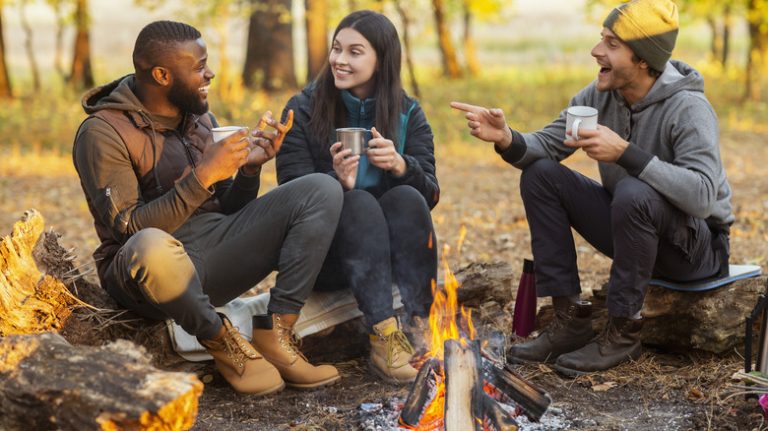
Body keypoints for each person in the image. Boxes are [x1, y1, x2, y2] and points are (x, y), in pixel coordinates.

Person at [452, 0, 733, 376]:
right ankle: (570, 320)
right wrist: (506, 137)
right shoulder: (599, 97)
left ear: (644, 60)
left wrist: (626, 153)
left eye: (612, 43)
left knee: (634, 191)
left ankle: (622, 332)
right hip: (634, 229)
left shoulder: (688, 108)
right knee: (541, 175)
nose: (596, 50)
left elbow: (702, 197)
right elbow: (547, 145)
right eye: (602, 38)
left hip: (696, 250)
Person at [73, 20, 344, 395]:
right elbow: (128, 229)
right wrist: (201, 177)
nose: (210, 73)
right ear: (162, 74)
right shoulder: (103, 132)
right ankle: (221, 340)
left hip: (213, 253)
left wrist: (248, 170)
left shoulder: (200, 117)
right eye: (199, 66)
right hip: (152, 275)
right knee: (150, 245)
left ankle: (275, 333)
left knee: (321, 188)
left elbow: (230, 208)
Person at [276, 10, 439, 383]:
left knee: (407, 197)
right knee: (358, 201)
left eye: (354, 52)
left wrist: (401, 166)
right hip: (327, 258)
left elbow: (429, 194)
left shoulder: (407, 112)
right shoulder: (302, 109)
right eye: (337, 49)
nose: (339, 60)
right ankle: (384, 337)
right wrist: (334, 184)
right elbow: (289, 196)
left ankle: (418, 323)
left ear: (381, 60)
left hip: (391, 259)